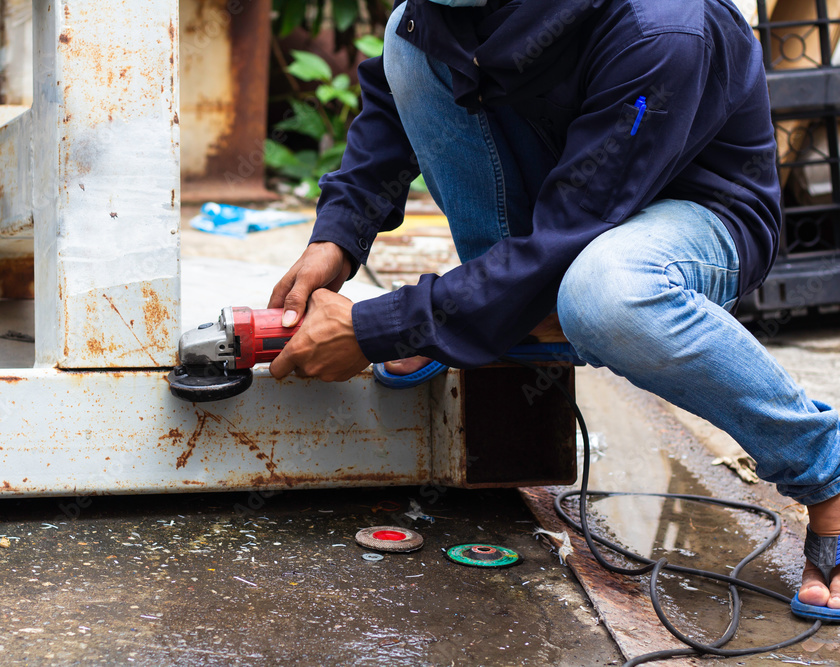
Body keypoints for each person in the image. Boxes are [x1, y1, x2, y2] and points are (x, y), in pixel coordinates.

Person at [267, 0, 840, 618]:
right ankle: (502, 309)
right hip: (570, 198)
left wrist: (383, 326)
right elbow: (392, 103)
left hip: (695, 213)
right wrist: (339, 235)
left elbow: (574, 228)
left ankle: (825, 468)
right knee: (410, 39)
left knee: (605, 295)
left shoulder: (664, 26)